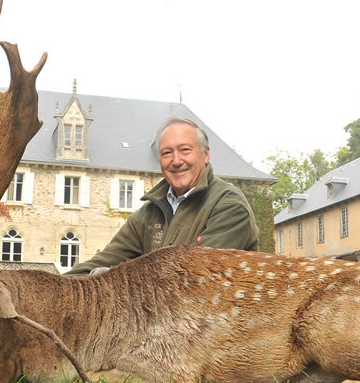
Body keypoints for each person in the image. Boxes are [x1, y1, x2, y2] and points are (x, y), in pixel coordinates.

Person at [68, 117, 260, 275]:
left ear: (206, 154)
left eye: (185, 150)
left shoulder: (229, 205)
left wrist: (107, 277)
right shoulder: (148, 215)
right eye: (167, 153)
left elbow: (192, 278)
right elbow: (91, 268)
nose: (176, 161)